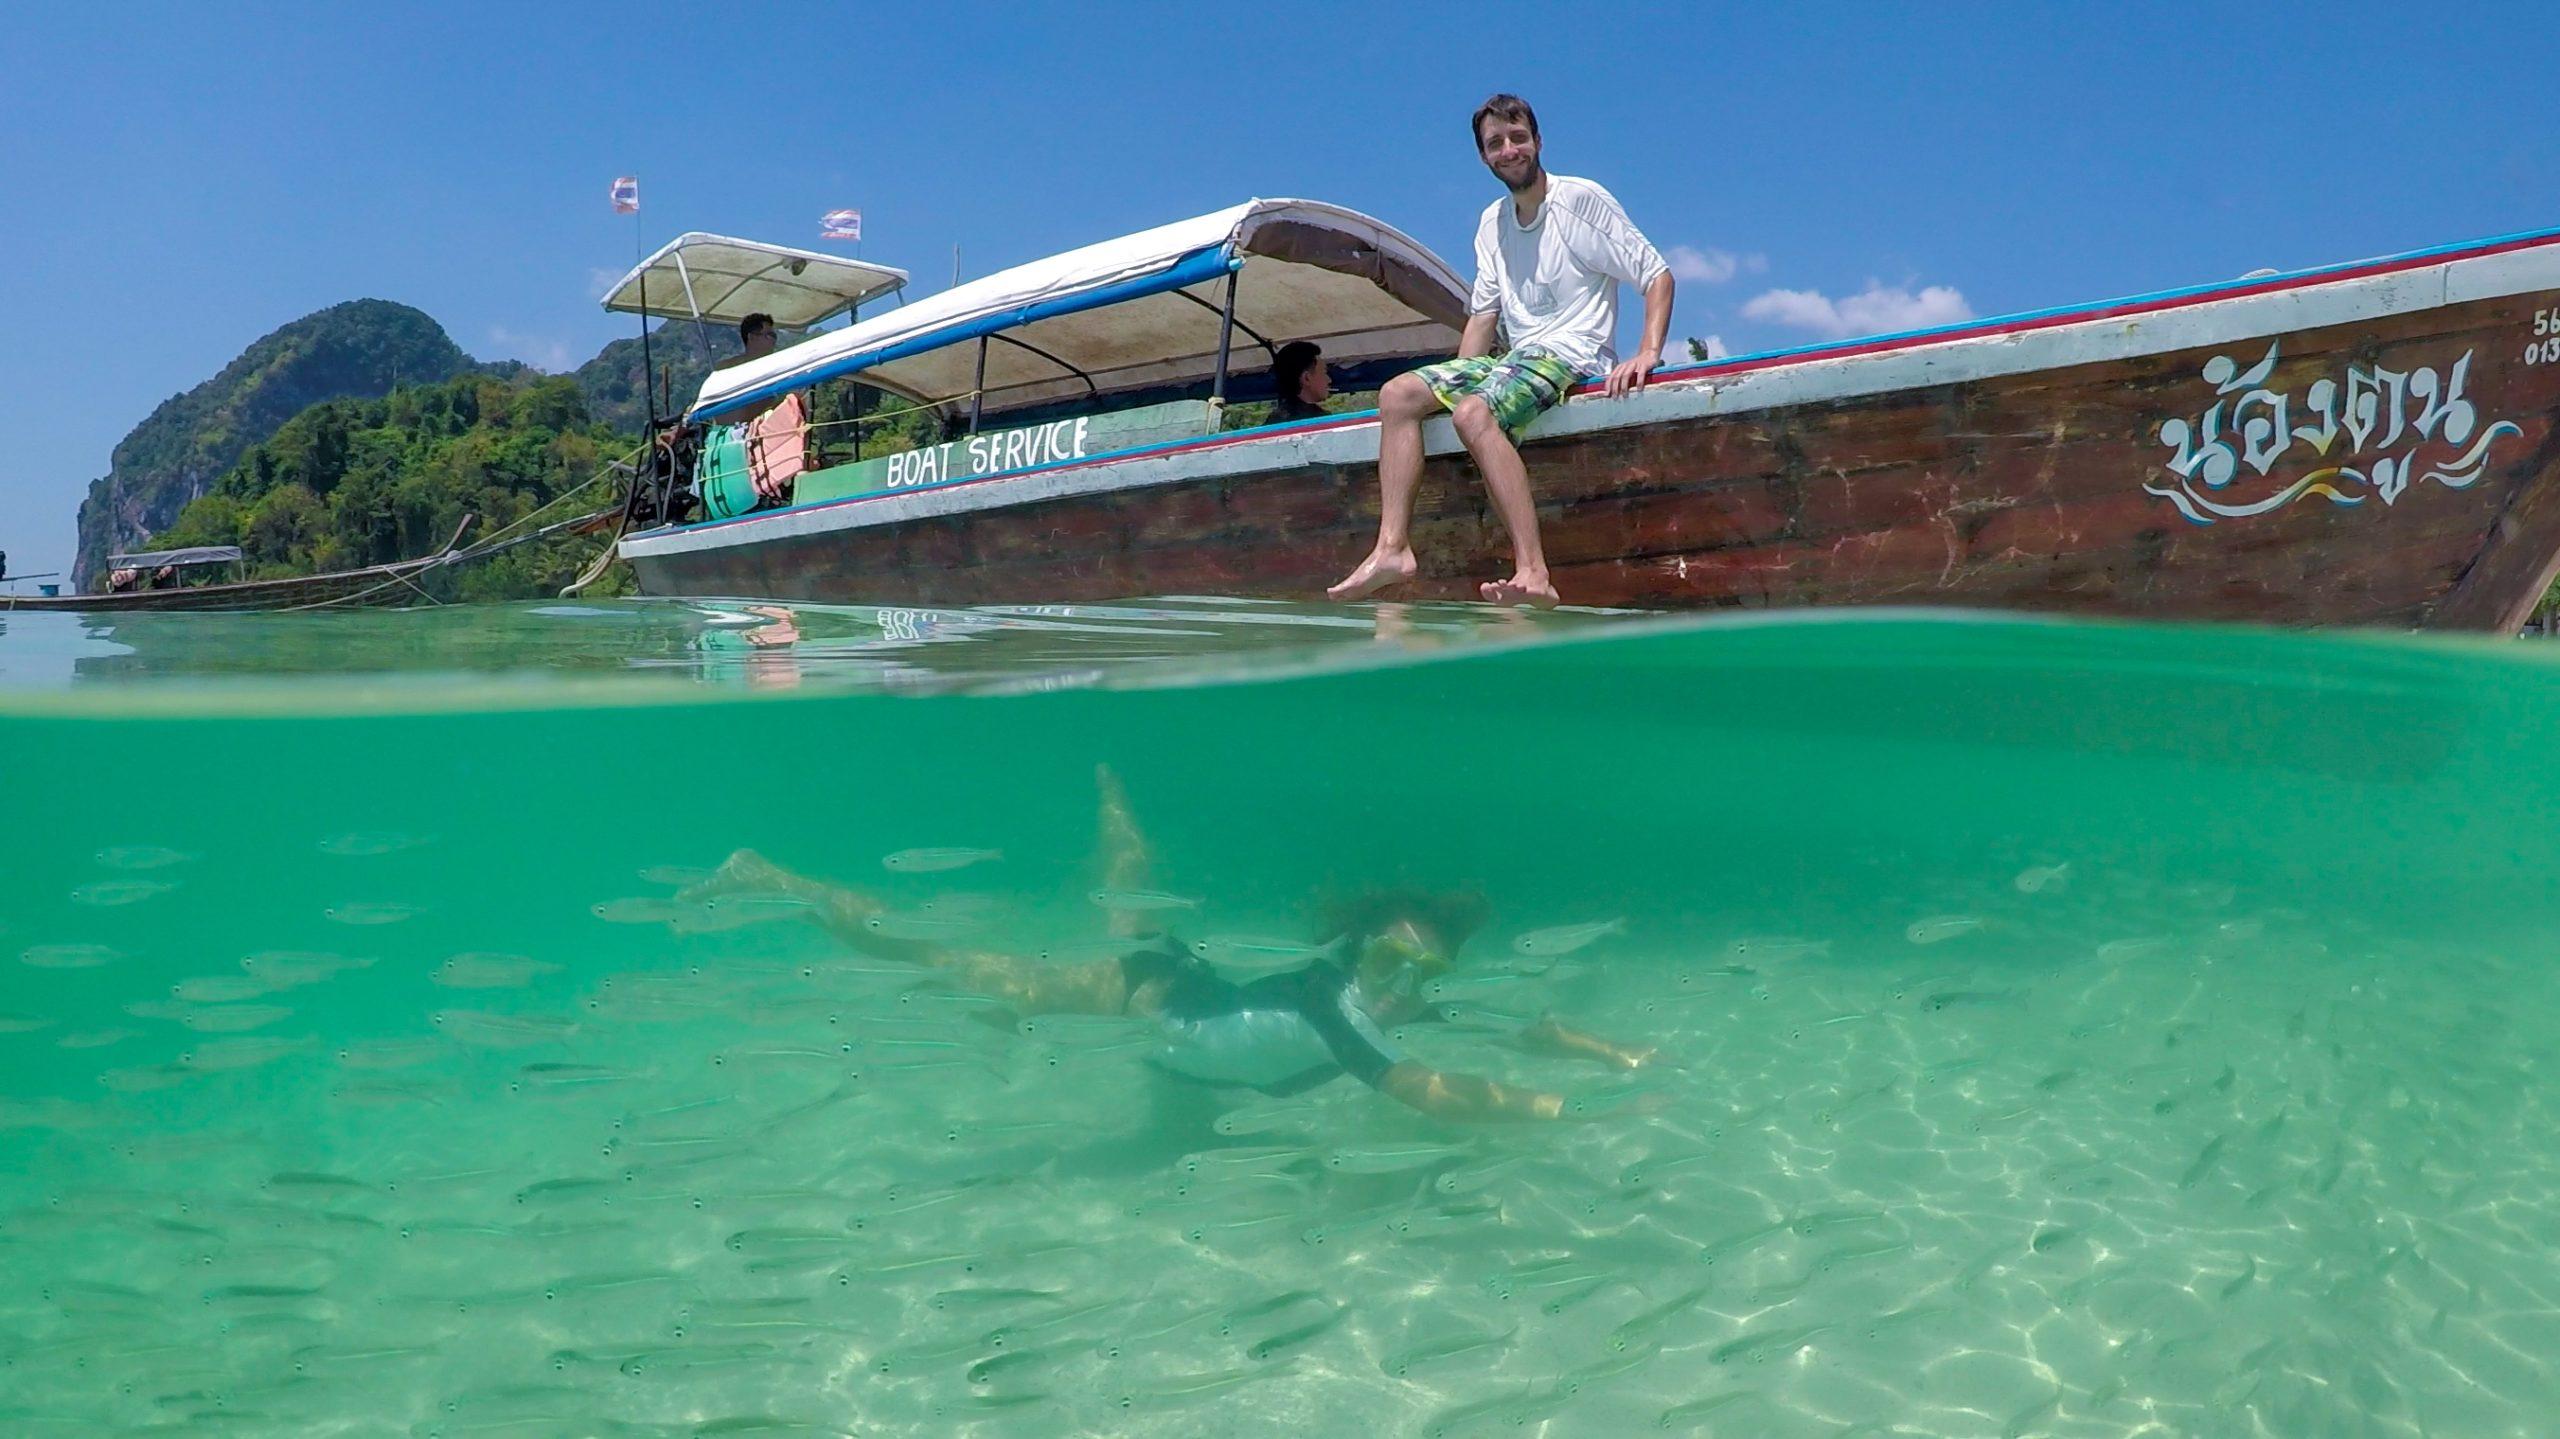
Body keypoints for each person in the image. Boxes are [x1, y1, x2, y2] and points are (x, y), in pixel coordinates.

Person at [676, 768, 1653, 1122]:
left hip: (1197, 1030)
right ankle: (780, 877)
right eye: (1396, 959)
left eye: (1426, 967)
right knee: (932, 955)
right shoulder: (1335, 1008)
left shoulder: (1384, 998)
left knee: (1137, 908)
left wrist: (1606, 1051)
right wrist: (1565, 1110)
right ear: (1359, 949)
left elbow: (1511, 1021)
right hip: (1154, 1002)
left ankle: (1118, 824)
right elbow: (1430, 1094)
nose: (1412, 981)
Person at [1329, 94, 1675, 607]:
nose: (1509, 149)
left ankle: (1534, 571)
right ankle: (1392, 549)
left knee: (1474, 413)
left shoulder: (1580, 200)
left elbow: (1656, 275)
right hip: (1514, 359)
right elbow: (1483, 316)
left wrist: (1647, 351)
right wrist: (1452, 379)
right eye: (1496, 143)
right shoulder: (1491, 221)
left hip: (1572, 354)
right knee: (1398, 394)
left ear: (1538, 141)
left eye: (1518, 137)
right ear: (1483, 157)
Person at [1271, 340, 1332, 423]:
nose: (1329, 380)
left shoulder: (1274, 421)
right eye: (1324, 372)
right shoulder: (1318, 422)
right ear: (1307, 378)